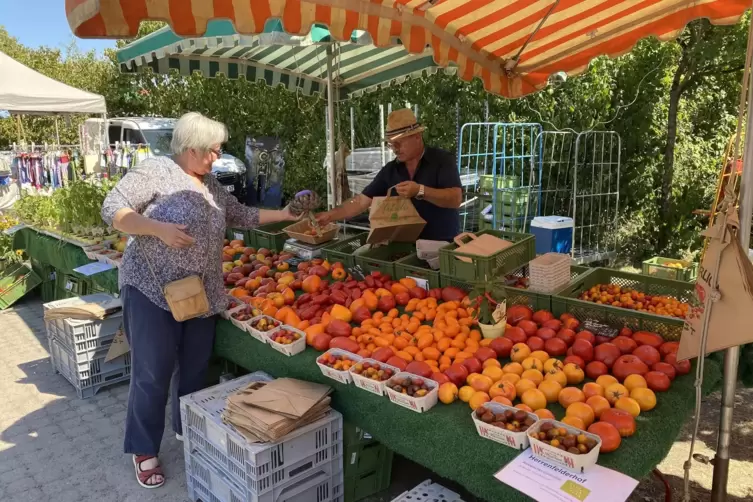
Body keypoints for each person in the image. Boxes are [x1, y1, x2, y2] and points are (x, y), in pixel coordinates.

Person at [101, 112, 298, 489]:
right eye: (212, 150)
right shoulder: (154, 171)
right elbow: (114, 209)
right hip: (151, 290)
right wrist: (157, 229)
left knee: (194, 369)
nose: (216, 156)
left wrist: (285, 214)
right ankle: (143, 449)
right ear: (190, 149)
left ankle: (186, 429)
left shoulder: (208, 183)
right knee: (152, 373)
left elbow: (240, 214)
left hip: (201, 294)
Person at [316, 108, 462, 241]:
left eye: (399, 143)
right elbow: (360, 201)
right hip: (404, 245)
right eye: (391, 144)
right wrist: (330, 215)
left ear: (417, 137)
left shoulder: (442, 160)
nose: (395, 149)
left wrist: (420, 190)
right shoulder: (390, 170)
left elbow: (455, 199)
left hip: (442, 244)